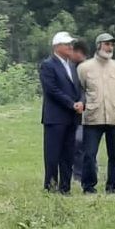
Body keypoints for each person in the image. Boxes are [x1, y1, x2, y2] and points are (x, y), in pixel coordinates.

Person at [77, 32, 115, 194]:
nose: (110, 47)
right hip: (93, 117)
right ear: (98, 45)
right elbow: (80, 90)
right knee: (89, 155)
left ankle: (112, 186)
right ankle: (89, 186)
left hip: (114, 116)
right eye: (107, 44)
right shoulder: (84, 67)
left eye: (112, 45)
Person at [40, 31, 83, 193]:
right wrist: (71, 104)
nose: (70, 47)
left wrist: (80, 102)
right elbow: (52, 90)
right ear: (57, 47)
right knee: (52, 154)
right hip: (55, 117)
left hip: (71, 117)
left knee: (68, 154)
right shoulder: (48, 65)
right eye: (67, 45)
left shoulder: (72, 65)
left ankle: (65, 188)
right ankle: (51, 186)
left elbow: (78, 88)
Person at [70, 38, 89, 183]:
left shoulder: (88, 68)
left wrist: (82, 102)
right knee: (75, 142)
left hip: (86, 112)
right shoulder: (70, 66)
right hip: (72, 110)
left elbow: (86, 89)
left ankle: (81, 173)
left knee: (81, 142)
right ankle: (76, 173)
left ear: (79, 52)